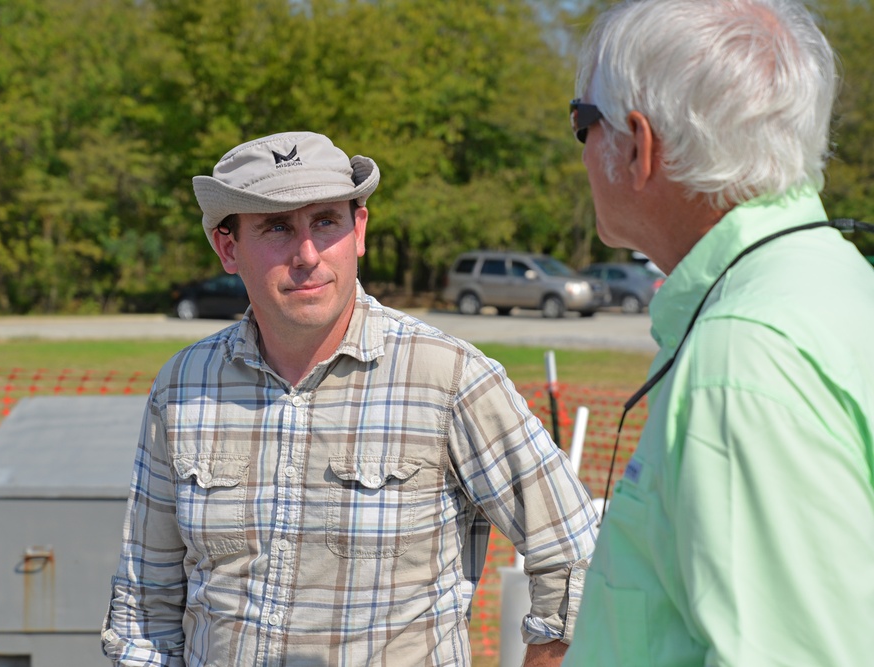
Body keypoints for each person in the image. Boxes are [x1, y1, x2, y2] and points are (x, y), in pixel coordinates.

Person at [102, 131, 598, 666]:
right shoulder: (182, 388)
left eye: (325, 222)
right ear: (228, 247)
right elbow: (144, 611)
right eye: (276, 227)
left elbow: (576, 558)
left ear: (358, 230)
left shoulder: (450, 377)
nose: (308, 254)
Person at [563, 1, 874, 665]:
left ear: (639, 145)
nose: (583, 149)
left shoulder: (746, 353)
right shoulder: (830, 288)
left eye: (582, 121)